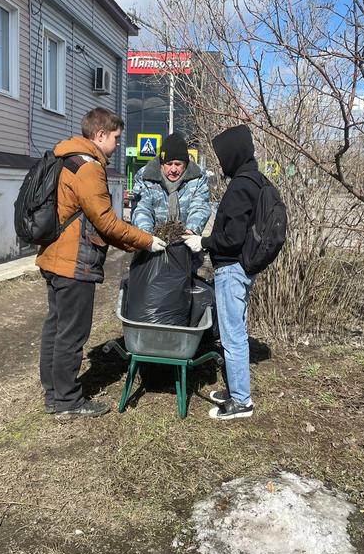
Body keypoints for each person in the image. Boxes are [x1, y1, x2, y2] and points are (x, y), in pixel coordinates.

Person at [37, 107, 166, 419]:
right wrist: (146, 241)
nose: (118, 144)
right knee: (72, 332)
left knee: (56, 327)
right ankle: (67, 401)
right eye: (116, 137)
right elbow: (105, 222)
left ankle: (54, 394)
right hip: (74, 261)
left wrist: (132, 243)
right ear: (100, 135)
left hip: (55, 255)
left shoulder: (65, 157)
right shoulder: (89, 167)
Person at [182, 125, 260, 420]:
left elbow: (232, 238)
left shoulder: (241, 186)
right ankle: (237, 390)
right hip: (240, 268)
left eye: (222, 155)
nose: (221, 161)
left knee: (232, 335)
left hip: (231, 268)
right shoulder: (252, 179)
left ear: (233, 154)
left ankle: (241, 401)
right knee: (235, 331)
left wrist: (202, 242)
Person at [131, 132, 211, 236]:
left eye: (178, 164)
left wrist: (191, 231)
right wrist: (147, 236)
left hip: (186, 239)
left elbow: (200, 207)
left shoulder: (198, 177)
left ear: (185, 164)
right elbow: (142, 208)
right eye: (169, 164)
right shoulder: (146, 177)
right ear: (161, 164)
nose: (173, 169)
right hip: (152, 239)